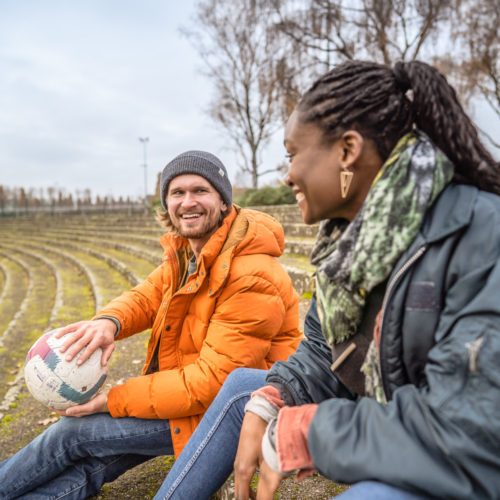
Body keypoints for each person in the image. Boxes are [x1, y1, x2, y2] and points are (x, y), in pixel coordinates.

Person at [153, 61, 500, 500]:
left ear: (347, 150)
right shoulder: (351, 247)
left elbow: (468, 430)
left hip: (469, 464)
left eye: (293, 154)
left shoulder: (482, 233)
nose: (287, 175)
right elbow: (321, 353)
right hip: (404, 431)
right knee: (250, 387)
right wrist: (275, 397)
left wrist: (307, 432)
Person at [0, 150, 302, 499]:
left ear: (223, 201)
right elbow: (147, 296)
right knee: (91, 461)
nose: (188, 202)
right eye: (177, 193)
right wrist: (108, 323)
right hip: (188, 401)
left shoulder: (252, 274)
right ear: (166, 203)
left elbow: (211, 383)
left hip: (227, 415)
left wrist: (113, 400)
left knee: (72, 434)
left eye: (200, 191)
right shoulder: (190, 253)